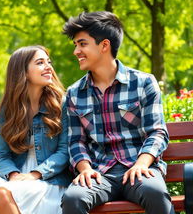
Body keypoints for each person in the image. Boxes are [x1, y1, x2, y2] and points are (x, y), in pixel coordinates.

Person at [61, 11, 175, 214]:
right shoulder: (74, 93)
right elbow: (76, 141)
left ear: (104, 45)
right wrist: (85, 169)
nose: (76, 51)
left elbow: (157, 132)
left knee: (155, 193)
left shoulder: (143, 83)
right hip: (99, 172)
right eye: (76, 45)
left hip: (138, 167)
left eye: (82, 44)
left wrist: (141, 164)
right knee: (73, 198)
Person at [0, 45, 71, 214]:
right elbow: (1, 155)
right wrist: (13, 175)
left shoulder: (60, 104)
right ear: (23, 72)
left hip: (50, 179)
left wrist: (35, 174)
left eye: (48, 62)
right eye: (40, 63)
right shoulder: (8, 109)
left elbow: (64, 151)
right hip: (16, 175)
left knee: (4, 193)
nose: (48, 67)